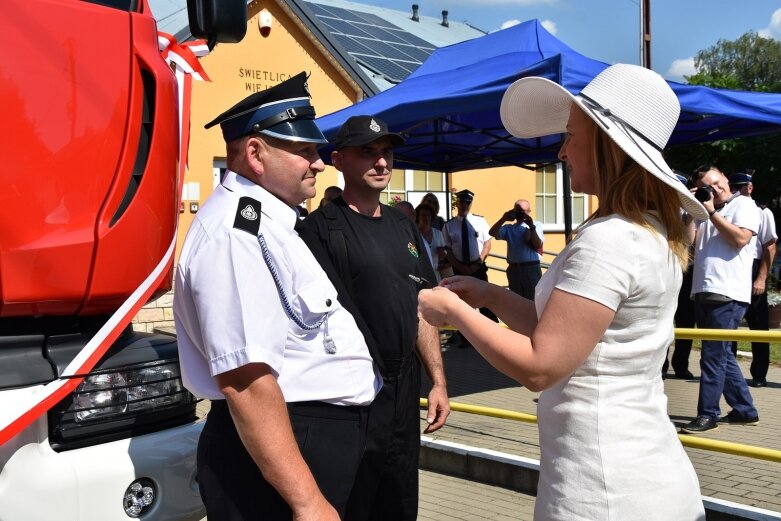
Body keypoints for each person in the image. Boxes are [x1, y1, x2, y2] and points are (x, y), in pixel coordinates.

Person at [418, 64, 707, 520]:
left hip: (604, 491)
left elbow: (541, 366)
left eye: (572, 135)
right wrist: (488, 296)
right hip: (638, 479)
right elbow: (565, 331)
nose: (562, 149)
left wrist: (454, 309)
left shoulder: (609, 240)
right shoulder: (649, 231)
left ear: (607, 145)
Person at [172, 73, 381, 521]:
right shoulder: (236, 235)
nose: (320, 164)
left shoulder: (267, 222)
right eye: (305, 150)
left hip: (305, 440)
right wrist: (308, 503)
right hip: (282, 451)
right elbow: (246, 379)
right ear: (255, 154)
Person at [301, 115, 450, 521]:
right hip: (354, 395)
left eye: (386, 153)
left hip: (404, 392)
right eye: (367, 152)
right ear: (338, 160)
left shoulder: (403, 224)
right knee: (354, 503)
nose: (381, 162)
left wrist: (437, 380)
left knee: (399, 501)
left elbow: (422, 304)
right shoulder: (318, 230)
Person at [680, 165, 760, 434]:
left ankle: (708, 414)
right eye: (707, 186)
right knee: (722, 355)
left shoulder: (744, 205)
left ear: (725, 178)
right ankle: (745, 410)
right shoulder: (703, 210)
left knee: (712, 357)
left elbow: (740, 238)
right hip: (704, 290)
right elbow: (688, 241)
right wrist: (693, 209)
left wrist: (711, 212)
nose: (714, 189)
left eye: (716, 183)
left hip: (727, 292)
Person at [728, 172, 777, 387]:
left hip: (754, 267)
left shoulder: (762, 212)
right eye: (734, 187)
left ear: (750, 187)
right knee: (729, 325)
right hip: (733, 266)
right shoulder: (728, 209)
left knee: (758, 325)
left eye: (741, 186)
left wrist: (762, 277)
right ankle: (729, 374)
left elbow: (770, 246)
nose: (737, 191)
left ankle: (759, 374)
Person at [442, 189, 496, 348]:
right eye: (462, 202)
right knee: (462, 304)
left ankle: (493, 335)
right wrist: (460, 267)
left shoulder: (480, 221)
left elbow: (487, 244)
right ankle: (466, 339)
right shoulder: (449, 225)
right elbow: (448, 250)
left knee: (485, 301)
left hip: (478, 267)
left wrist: (478, 262)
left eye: (468, 202)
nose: (465, 205)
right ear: (456, 203)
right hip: (459, 268)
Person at [489, 199, 544, 300]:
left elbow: (538, 244)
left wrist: (531, 227)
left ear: (529, 211)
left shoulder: (536, 225)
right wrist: (503, 218)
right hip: (514, 269)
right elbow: (492, 232)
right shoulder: (509, 228)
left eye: (523, 211)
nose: (520, 214)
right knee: (516, 301)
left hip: (531, 268)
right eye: (518, 211)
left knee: (534, 301)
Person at [416, 202, 447, 281]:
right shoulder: (414, 234)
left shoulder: (438, 234)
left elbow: (444, 257)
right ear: (418, 216)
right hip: (419, 276)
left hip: (436, 277)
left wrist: (442, 254)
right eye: (423, 215)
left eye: (428, 215)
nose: (426, 218)